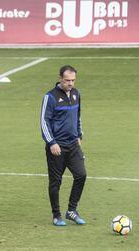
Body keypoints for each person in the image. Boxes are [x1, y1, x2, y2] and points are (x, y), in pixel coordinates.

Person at [40, 65, 87, 226]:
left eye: (73, 80)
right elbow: (44, 121)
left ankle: (72, 210)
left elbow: (78, 115)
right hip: (57, 147)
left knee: (81, 175)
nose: (70, 83)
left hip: (73, 145)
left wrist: (79, 135)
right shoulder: (50, 97)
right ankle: (56, 215)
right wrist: (51, 142)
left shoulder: (76, 93)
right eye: (67, 80)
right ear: (60, 78)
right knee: (55, 182)